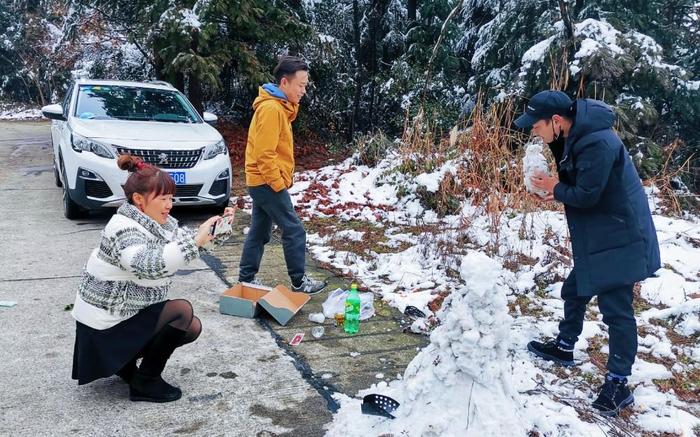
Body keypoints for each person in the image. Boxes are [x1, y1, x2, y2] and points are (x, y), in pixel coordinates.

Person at [515, 90, 661, 416]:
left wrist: (556, 187)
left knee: (616, 311)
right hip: (602, 234)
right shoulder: (576, 134)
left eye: (536, 126)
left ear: (555, 120)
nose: (533, 132)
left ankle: (618, 385)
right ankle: (565, 347)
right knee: (574, 288)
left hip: (621, 236)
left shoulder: (597, 142)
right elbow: (579, 182)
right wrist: (555, 192)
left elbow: (587, 194)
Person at [71, 154, 235, 403]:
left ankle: (125, 365)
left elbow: (183, 246)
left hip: (122, 318)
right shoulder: (122, 227)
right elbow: (146, 264)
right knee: (181, 312)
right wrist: (195, 241)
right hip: (102, 328)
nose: (169, 204)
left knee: (191, 327)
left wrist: (213, 230)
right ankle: (144, 382)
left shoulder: (160, 223)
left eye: (171, 197)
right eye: (163, 198)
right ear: (139, 200)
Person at [238, 55, 326, 294]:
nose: (304, 90)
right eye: (301, 85)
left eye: (306, 85)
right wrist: (278, 183)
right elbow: (264, 154)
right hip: (266, 181)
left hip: (262, 181)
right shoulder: (271, 109)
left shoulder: (280, 107)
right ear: (284, 83)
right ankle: (299, 281)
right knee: (294, 228)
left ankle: (246, 278)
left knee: (259, 231)